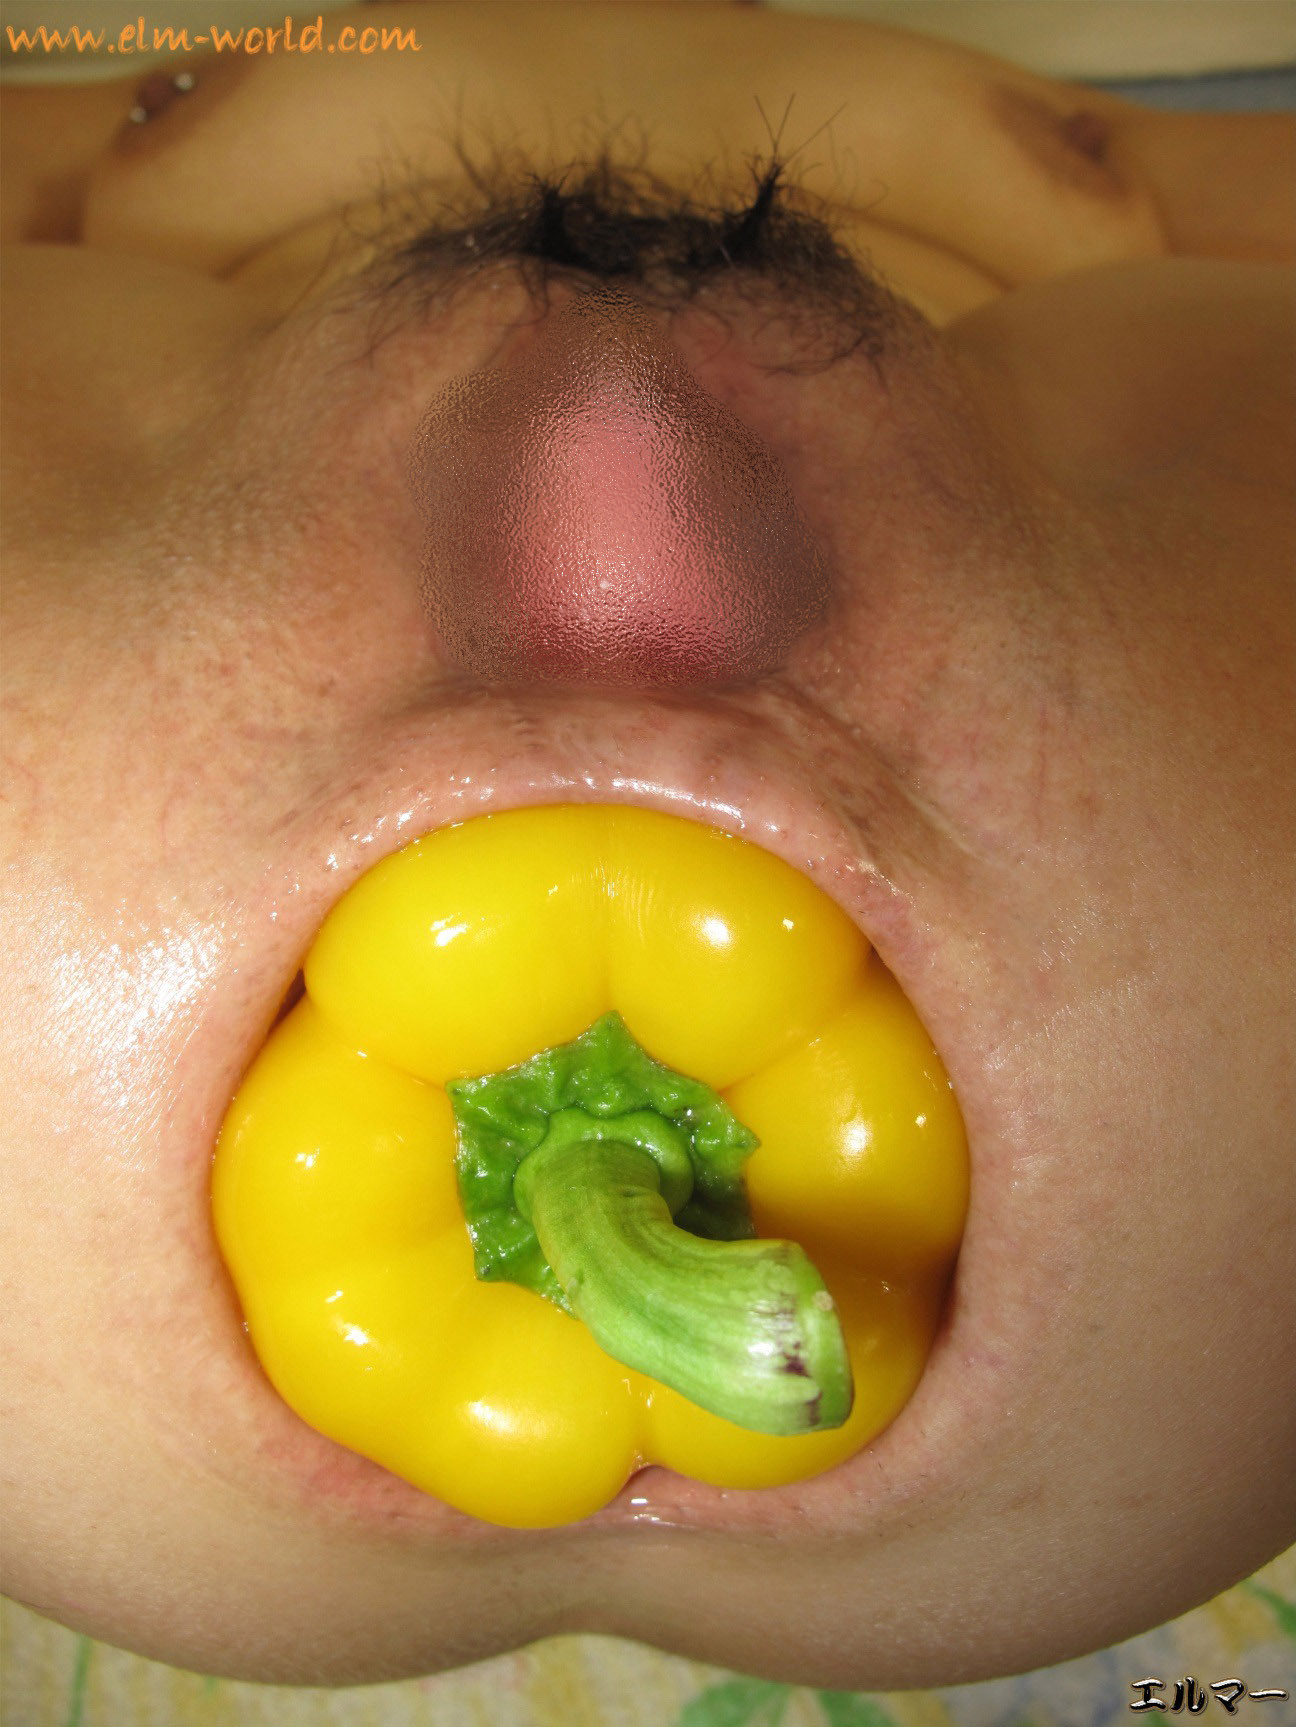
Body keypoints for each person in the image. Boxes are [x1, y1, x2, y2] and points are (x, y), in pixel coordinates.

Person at [1, 0, 1292, 1694]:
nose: (620, 515)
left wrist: (161, 117)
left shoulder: (175, 141)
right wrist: (1090, 167)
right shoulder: (1097, 205)